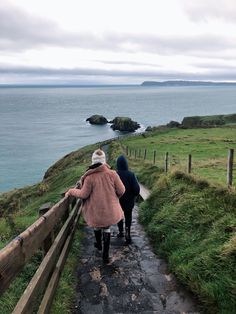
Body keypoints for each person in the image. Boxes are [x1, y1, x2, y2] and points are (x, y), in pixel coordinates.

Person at [65, 149, 125, 263]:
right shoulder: (112, 174)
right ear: (104, 161)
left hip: (95, 212)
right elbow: (122, 190)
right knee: (107, 228)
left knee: (97, 226)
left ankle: (98, 245)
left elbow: (83, 194)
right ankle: (106, 256)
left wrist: (71, 191)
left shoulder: (89, 177)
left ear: (93, 161)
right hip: (109, 211)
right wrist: (113, 198)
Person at [116, 155, 140, 244]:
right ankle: (128, 234)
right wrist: (133, 195)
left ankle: (120, 231)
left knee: (119, 216)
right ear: (126, 164)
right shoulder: (131, 175)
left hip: (118, 201)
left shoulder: (115, 175)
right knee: (128, 216)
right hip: (129, 201)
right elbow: (136, 190)